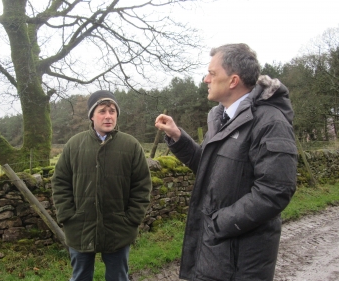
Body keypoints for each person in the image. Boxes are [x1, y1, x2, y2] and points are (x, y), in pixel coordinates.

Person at [155, 43, 297, 281]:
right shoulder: (222, 118)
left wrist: (218, 223)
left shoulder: (271, 123)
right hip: (215, 251)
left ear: (233, 81)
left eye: (212, 73)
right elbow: (210, 167)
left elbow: (276, 190)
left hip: (242, 261)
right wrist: (177, 137)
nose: (205, 79)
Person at [52, 90, 152, 281]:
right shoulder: (74, 145)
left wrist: (132, 218)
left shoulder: (131, 146)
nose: (108, 116)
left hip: (119, 228)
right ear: (92, 115)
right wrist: (67, 215)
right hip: (80, 226)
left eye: (112, 111)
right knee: (80, 277)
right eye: (102, 111)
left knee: (118, 277)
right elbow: (60, 182)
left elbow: (142, 185)